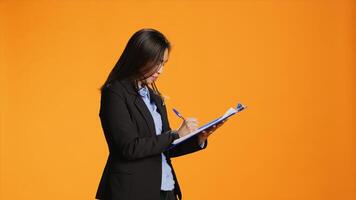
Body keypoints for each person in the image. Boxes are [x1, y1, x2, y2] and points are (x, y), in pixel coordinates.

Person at [95, 28, 226, 200]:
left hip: (166, 189)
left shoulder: (155, 97)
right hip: (132, 191)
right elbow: (129, 148)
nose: (160, 70)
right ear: (139, 58)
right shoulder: (115, 93)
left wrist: (197, 138)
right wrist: (175, 134)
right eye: (157, 63)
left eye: (164, 64)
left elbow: (164, 148)